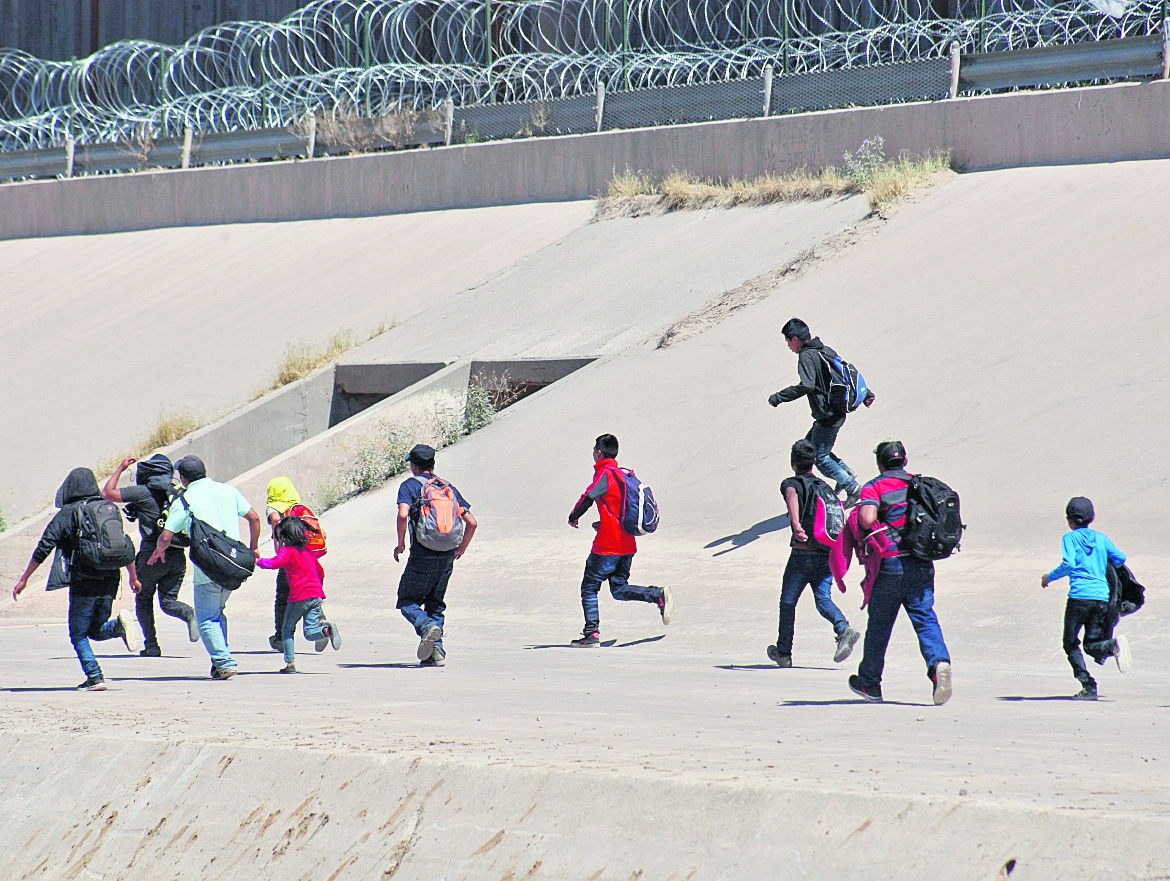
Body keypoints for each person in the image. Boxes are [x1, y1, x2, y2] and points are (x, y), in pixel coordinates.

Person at [11, 467, 143, 690]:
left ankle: (95, 676)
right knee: (95, 629)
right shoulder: (107, 508)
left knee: (78, 633)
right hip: (111, 578)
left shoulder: (68, 512)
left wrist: (25, 579)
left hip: (84, 580)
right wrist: (134, 577)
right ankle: (119, 626)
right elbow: (123, 544)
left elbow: (44, 546)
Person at [847, 440, 952, 705]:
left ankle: (870, 682)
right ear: (904, 461)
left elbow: (867, 519)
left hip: (891, 563)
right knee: (925, 617)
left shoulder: (875, 486)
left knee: (880, 624)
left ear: (880, 463)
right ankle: (938, 664)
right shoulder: (920, 486)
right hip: (922, 561)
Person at [147, 455, 260, 680]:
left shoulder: (184, 500)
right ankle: (219, 662)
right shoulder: (228, 491)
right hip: (233, 565)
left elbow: (166, 535)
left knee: (206, 618)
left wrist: (159, 550)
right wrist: (253, 548)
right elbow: (254, 518)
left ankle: (224, 662)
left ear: (184, 478)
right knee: (217, 613)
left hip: (207, 570)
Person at [568, 434, 672, 647]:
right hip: (627, 545)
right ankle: (657, 595)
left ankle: (591, 634)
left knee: (589, 588)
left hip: (607, 547)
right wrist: (602, 522)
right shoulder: (624, 475)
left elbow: (589, 496)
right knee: (618, 589)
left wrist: (574, 516)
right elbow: (617, 509)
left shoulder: (605, 474)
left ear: (598, 452)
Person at [767, 439, 860, 667]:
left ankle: (784, 652)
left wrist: (796, 524)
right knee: (823, 599)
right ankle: (843, 628)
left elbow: (792, 495)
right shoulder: (825, 486)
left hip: (801, 555)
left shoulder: (791, 482)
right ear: (814, 462)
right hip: (826, 555)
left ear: (793, 463)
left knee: (788, 602)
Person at [768, 318, 874, 508]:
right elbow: (847, 373)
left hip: (828, 414)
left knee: (818, 457)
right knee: (810, 447)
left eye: (787, 342)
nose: (788, 346)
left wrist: (779, 397)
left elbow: (807, 385)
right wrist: (866, 392)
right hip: (834, 411)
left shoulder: (807, 356)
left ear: (794, 339)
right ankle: (845, 475)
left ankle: (851, 486)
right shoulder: (824, 349)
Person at [101, 455, 197, 655]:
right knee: (168, 601)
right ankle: (188, 613)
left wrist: (120, 468)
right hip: (177, 556)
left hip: (151, 556)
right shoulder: (178, 492)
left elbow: (107, 493)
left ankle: (151, 646)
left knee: (144, 600)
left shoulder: (143, 492)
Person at [393, 444, 477, 667]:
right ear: (432, 464)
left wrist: (400, 544)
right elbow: (472, 522)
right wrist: (461, 549)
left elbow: (403, 515)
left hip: (422, 553)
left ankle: (426, 627)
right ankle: (436, 653)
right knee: (435, 603)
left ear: (413, 465)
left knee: (407, 600)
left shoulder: (409, 486)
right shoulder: (447, 487)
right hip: (447, 554)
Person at [1041, 497, 1130, 700]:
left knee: (1070, 643)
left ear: (1069, 520)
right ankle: (1111, 646)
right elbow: (1120, 558)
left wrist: (1049, 577)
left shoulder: (1069, 538)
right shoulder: (1101, 539)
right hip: (1101, 598)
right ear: (1091, 517)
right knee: (1091, 644)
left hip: (1079, 598)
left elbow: (1069, 564)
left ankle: (1088, 685)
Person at [256, 516, 339, 673]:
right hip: (315, 596)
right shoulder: (307, 551)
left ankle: (290, 664)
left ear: (284, 536)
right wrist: (317, 591)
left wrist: (256, 561)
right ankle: (326, 631)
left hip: (298, 597)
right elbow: (320, 572)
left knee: (287, 629)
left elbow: (274, 563)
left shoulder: (287, 551)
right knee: (309, 631)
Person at [263, 477, 326, 653]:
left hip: (290, 560)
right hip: (309, 560)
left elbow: (275, 519)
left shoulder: (274, 508)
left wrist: (278, 542)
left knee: (283, 597)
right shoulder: (300, 509)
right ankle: (320, 624)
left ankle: (281, 638)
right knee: (310, 594)